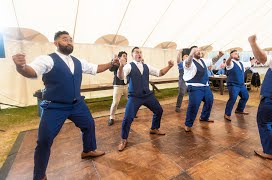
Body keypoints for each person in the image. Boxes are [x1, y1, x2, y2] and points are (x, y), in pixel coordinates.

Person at [12, 31, 112, 180]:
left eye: (71, 40)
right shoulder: (47, 59)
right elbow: (32, 72)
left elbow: (95, 68)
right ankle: (39, 175)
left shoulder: (78, 61)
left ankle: (88, 150)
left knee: (89, 124)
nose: (69, 42)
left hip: (77, 104)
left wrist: (111, 64)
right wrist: (21, 67)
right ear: (56, 43)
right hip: (54, 106)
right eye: (65, 39)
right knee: (44, 140)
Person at [117, 47, 174, 151]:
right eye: (137, 52)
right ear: (132, 55)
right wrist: (121, 66)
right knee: (128, 118)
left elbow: (160, 73)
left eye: (140, 52)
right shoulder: (129, 66)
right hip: (134, 96)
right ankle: (123, 139)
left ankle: (154, 128)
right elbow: (120, 77)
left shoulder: (146, 66)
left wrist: (169, 66)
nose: (139, 54)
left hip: (147, 95)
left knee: (159, 110)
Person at [183, 46, 224, 132]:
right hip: (194, 86)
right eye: (196, 51)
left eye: (199, 50)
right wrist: (191, 54)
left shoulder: (202, 61)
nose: (199, 52)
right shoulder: (188, 62)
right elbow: (188, 63)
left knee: (209, 100)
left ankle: (204, 117)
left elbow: (212, 61)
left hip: (205, 86)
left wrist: (219, 56)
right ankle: (188, 124)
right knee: (194, 105)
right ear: (192, 52)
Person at [224, 50, 256, 121]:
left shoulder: (241, 63)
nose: (237, 55)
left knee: (245, 96)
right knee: (233, 98)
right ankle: (227, 114)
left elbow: (250, 63)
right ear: (231, 55)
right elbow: (228, 62)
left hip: (241, 85)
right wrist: (230, 58)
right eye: (235, 54)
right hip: (233, 85)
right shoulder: (230, 63)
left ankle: (239, 109)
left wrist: (256, 57)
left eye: (238, 54)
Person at [108, 51, 128, 126]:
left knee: (130, 100)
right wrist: (113, 61)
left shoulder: (128, 65)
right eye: (123, 55)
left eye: (126, 56)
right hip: (117, 86)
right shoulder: (117, 64)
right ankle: (111, 117)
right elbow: (111, 69)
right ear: (119, 57)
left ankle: (130, 113)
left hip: (126, 85)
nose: (125, 57)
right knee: (115, 102)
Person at [175, 48, 189, 112]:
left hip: (189, 81)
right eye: (185, 56)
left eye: (188, 56)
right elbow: (178, 60)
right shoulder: (181, 63)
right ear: (183, 58)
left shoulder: (190, 64)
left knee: (192, 93)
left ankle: (192, 105)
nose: (187, 57)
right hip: (182, 81)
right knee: (181, 93)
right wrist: (179, 53)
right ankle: (177, 107)